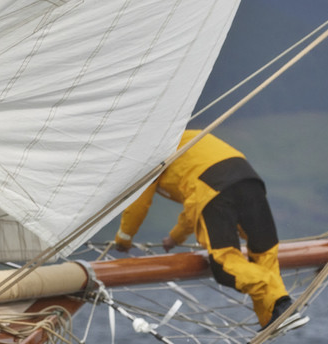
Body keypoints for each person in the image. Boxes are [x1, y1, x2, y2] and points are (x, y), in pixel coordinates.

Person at [114, 129, 307, 331]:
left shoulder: (151, 153)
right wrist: (174, 238)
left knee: (224, 265)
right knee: (264, 252)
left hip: (214, 189)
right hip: (249, 179)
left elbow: (139, 205)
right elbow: (194, 207)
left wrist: (123, 239)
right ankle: (274, 317)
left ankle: (281, 304)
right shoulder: (186, 136)